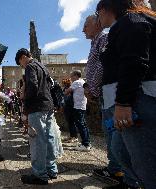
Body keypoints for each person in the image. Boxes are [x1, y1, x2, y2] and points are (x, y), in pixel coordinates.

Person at [96, 0, 156, 188]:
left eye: (97, 14)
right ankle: (133, 182)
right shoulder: (130, 22)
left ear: (105, 10)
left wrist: (123, 104)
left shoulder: (130, 22)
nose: (98, 18)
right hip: (134, 99)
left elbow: (134, 63)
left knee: (147, 164)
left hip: (138, 100)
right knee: (119, 150)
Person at [83, 14, 124, 182]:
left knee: (115, 131)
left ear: (97, 24)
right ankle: (115, 167)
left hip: (111, 92)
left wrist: (92, 88)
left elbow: (102, 65)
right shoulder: (95, 42)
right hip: (105, 93)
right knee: (109, 129)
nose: (83, 29)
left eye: (86, 25)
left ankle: (120, 170)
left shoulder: (104, 38)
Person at [15, 48, 59, 185]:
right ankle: (52, 170)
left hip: (37, 108)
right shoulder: (42, 66)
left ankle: (40, 174)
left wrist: (25, 102)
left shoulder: (30, 67)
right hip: (48, 106)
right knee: (49, 138)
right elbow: (51, 85)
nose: (21, 66)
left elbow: (33, 86)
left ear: (23, 57)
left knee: (37, 140)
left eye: (20, 63)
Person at [64, 70, 91, 151]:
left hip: (78, 106)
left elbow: (66, 92)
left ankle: (85, 144)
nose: (71, 78)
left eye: (72, 76)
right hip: (82, 106)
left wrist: (66, 91)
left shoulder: (77, 82)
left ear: (76, 75)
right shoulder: (83, 81)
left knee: (80, 125)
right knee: (84, 125)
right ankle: (87, 142)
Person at [61, 78, 78, 143]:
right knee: (70, 123)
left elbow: (68, 99)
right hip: (66, 107)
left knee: (72, 123)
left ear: (66, 83)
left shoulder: (70, 90)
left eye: (63, 83)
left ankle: (74, 137)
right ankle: (71, 136)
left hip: (70, 108)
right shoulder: (65, 89)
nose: (62, 84)